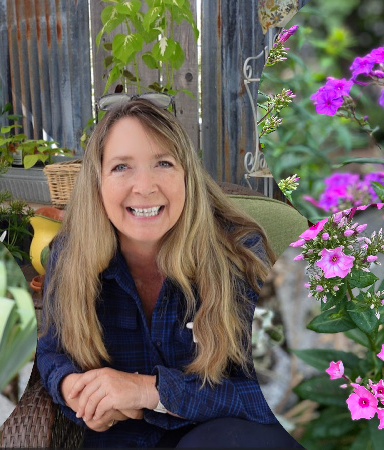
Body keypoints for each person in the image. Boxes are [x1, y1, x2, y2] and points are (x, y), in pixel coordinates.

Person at [36, 97, 301, 448]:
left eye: (163, 163)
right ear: (97, 181)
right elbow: (51, 350)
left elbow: (279, 388)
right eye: (121, 167)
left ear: (187, 175)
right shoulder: (70, 255)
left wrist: (150, 391)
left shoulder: (235, 253)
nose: (144, 186)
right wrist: (73, 388)